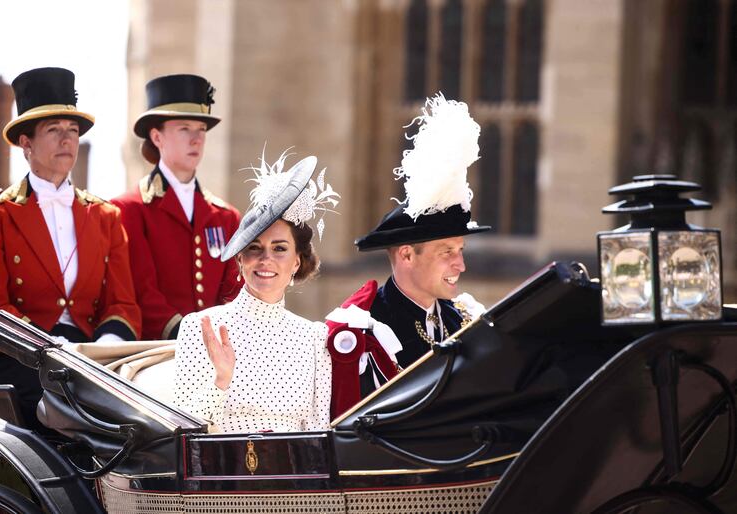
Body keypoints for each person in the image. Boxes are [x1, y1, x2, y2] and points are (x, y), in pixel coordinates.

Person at [0, 67, 141, 428]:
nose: (67, 140)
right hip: (19, 355)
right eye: (54, 131)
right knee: (52, 410)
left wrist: (104, 349)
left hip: (93, 354)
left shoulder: (106, 216)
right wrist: (48, 347)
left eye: (73, 131)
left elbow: (123, 303)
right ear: (25, 143)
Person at [326, 93, 488, 417]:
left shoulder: (462, 318)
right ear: (406, 255)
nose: (461, 264)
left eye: (461, 250)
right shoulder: (365, 329)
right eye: (447, 252)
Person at [172, 149, 339, 433]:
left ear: (297, 261)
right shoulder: (200, 327)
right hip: (225, 472)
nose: (266, 260)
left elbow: (318, 431)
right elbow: (181, 427)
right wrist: (221, 380)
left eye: (280, 249)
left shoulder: (315, 337)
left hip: (293, 474)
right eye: (254, 249)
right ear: (240, 260)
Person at [112, 74, 241, 341]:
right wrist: (189, 336)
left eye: (201, 130)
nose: (196, 139)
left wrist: (222, 336)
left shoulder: (226, 216)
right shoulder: (130, 209)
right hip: (156, 350)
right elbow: (142, 290)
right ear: (157, 137)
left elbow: (233, 290)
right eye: (184, 129)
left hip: (220, 350)